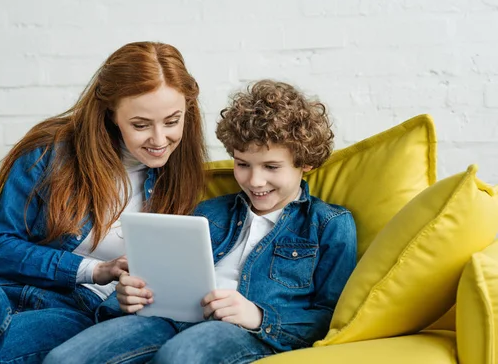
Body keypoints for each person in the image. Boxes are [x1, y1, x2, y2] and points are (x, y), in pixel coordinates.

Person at [0, 41, 207, 364]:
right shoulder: (50, 153)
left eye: (172, 121)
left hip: (72, 312)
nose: (160, 139)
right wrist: (97, 269)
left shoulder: (181, 177)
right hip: (1, 290)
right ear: (110, 115)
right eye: (140, 125)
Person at [44, 79, 357, 364]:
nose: (255, 180)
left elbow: (333, 318)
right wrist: (128, 298)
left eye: (272, 167)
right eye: (242, 164)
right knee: (63, 358)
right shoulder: (209, 212)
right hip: (169, 318)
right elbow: (159, 281)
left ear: (306, 164)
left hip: (247, 332)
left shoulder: (328, 224)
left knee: (181, 355)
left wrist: (258, 316)